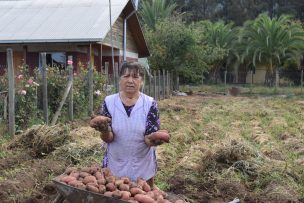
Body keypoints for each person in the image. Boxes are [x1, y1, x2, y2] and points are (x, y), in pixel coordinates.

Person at [90, 62, 170, 188]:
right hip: (115, 162)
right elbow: (109, 138)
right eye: (126, 76)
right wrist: (104, 130)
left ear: (142, 81)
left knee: (144, 195)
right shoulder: (109, 102)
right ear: (120, 80)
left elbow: (148, 139)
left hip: (142, 163)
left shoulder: (150, 104)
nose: (130, 81)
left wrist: (154, 139)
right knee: (114, 193)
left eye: (135, 77)